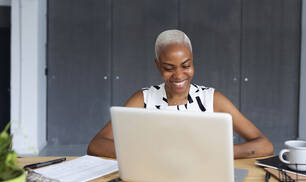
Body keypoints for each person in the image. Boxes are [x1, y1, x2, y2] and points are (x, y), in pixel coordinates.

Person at [87, 29, 273, 159]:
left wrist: (214, 153)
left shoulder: (211, 99)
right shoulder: (144, 99)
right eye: (169, 68)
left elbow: (264, 145)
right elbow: (96, 145)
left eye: (186, 66)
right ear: (157, 65)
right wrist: (151, 154)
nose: (179, 76)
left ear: (193, 62)